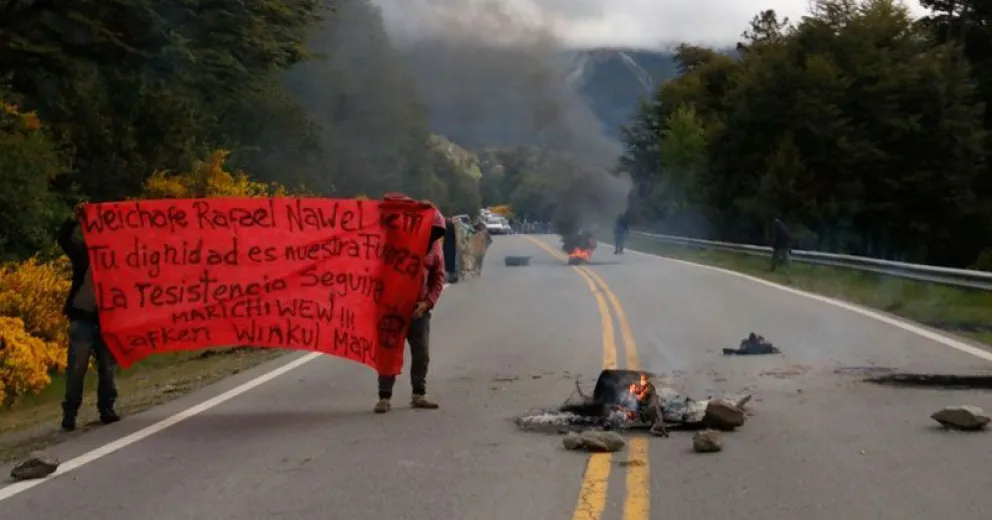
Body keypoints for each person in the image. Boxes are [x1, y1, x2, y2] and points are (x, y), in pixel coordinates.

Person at [375, 198, 447, 413]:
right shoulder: (395, 240)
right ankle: (384, 397)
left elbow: (438, 278)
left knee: (421, 354)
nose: (430, 235)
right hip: (392, 309)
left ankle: (419, 394)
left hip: (419, 310)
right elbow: (385, 207)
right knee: (388, 352)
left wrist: (427, 303)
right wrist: (406, 206)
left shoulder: (435, 248)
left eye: (435, 232)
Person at [57, 204, 120, 432]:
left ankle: (107, 409)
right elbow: (63, 239)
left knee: (108, 367)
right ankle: (70, 412)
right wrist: (73, 219)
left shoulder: (120, 259)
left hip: (107, 320)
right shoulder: (83, 253)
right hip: (82, 318)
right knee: (77, 368)